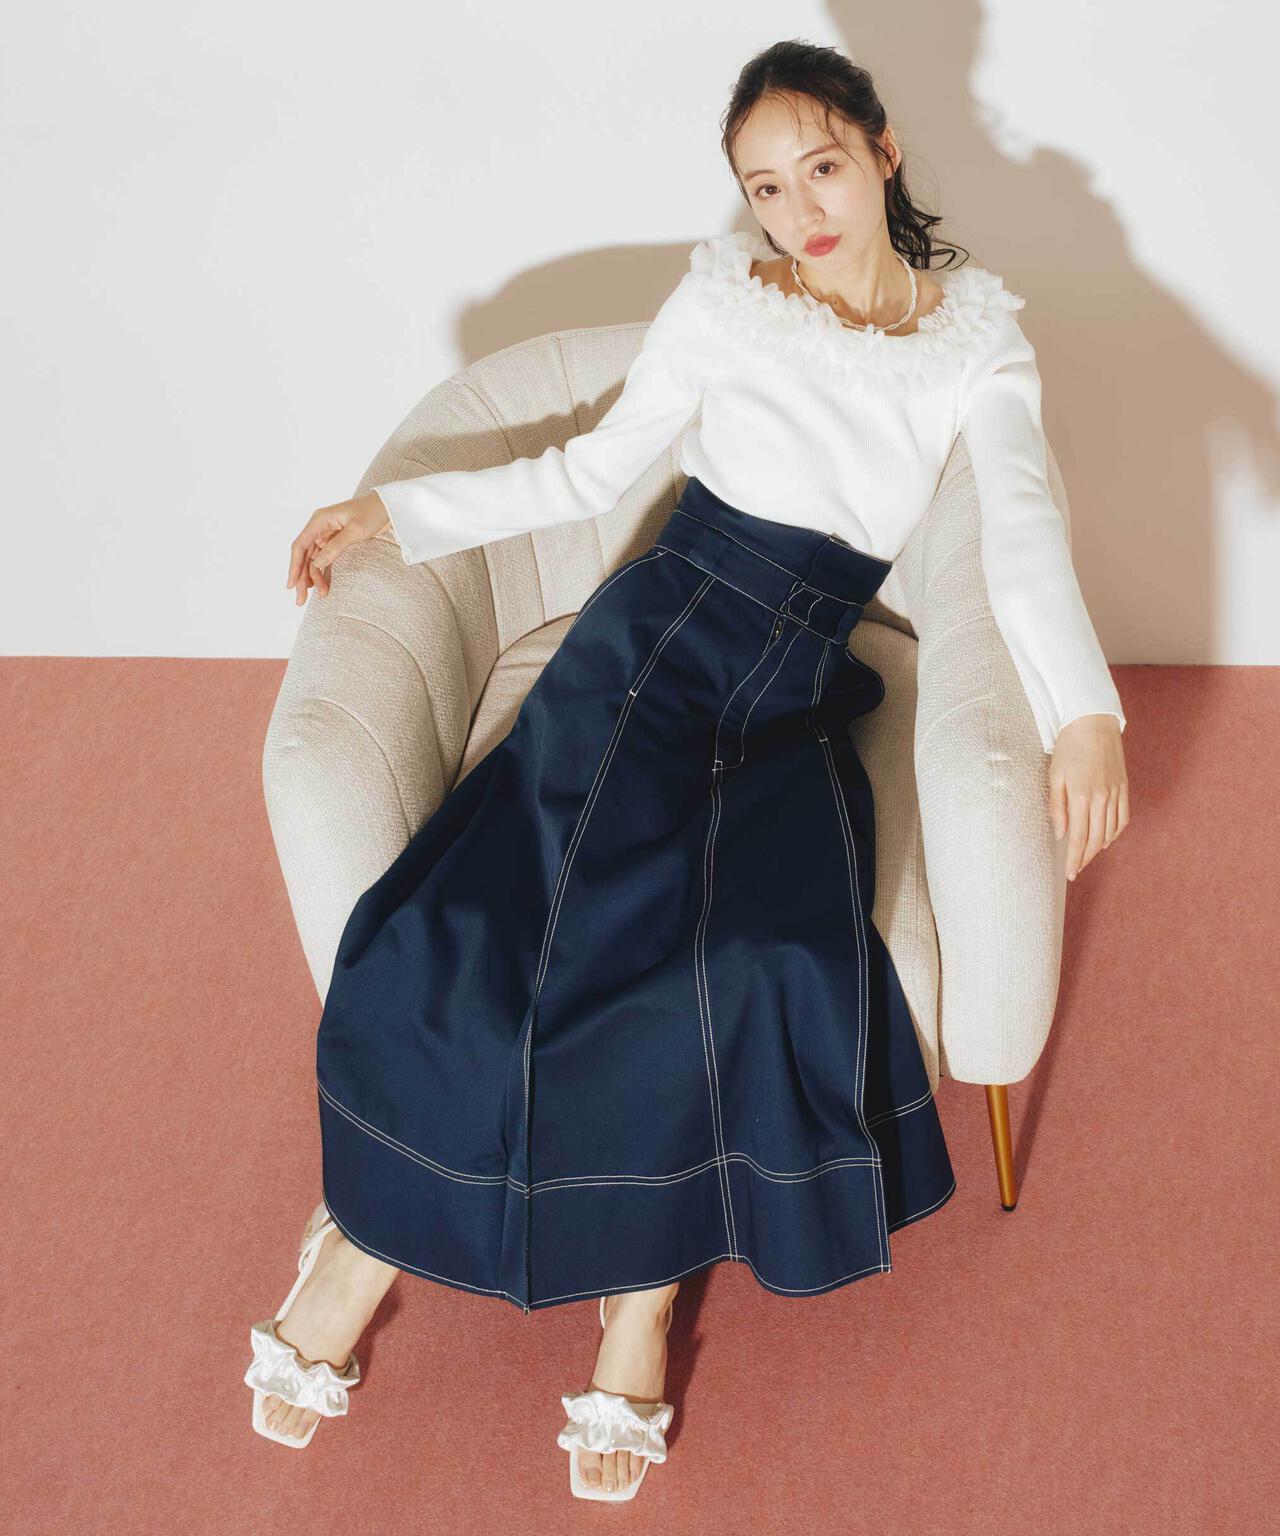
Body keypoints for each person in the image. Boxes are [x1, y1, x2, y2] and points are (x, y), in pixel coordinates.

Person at [248, 40, 1130, 1499]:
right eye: (765, 187)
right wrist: (397, 514)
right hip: (651, 650)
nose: (800, 211)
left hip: (791, 688)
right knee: (497, 928)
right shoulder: (728, 304)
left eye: (822, 168)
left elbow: (1023, 539)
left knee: (754, 959)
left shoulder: (977, 343)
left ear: (885, 151)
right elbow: (589, 473)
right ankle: (362, 1248)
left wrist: (1087, 713)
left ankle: (639, 1295)